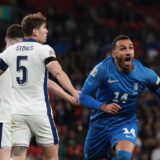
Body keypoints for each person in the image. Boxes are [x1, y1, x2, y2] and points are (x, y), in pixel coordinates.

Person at [0, 12, 79, 160]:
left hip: (17, 113)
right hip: (39, 112)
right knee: (52, 157)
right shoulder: (44, 49)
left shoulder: (9, 52)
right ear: (35, 31)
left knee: (17, 155)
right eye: (44, 28)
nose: (47, 31)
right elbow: (58, 73)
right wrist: (73, 92)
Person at [80, 35, 160, 160]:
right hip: (100, 124)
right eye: (123, 48)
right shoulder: (102, 69)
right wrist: (103, 106)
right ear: (114, 53)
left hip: (125, 123)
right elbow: (83, 96)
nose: (128, 51)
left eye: (131, 48)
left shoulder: (144, 74)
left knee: (123, 156)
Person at [0, 24, 24, 160]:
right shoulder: (27, 63)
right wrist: (70, 94)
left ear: (5, 39)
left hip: (5, 116)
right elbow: (48, 83)